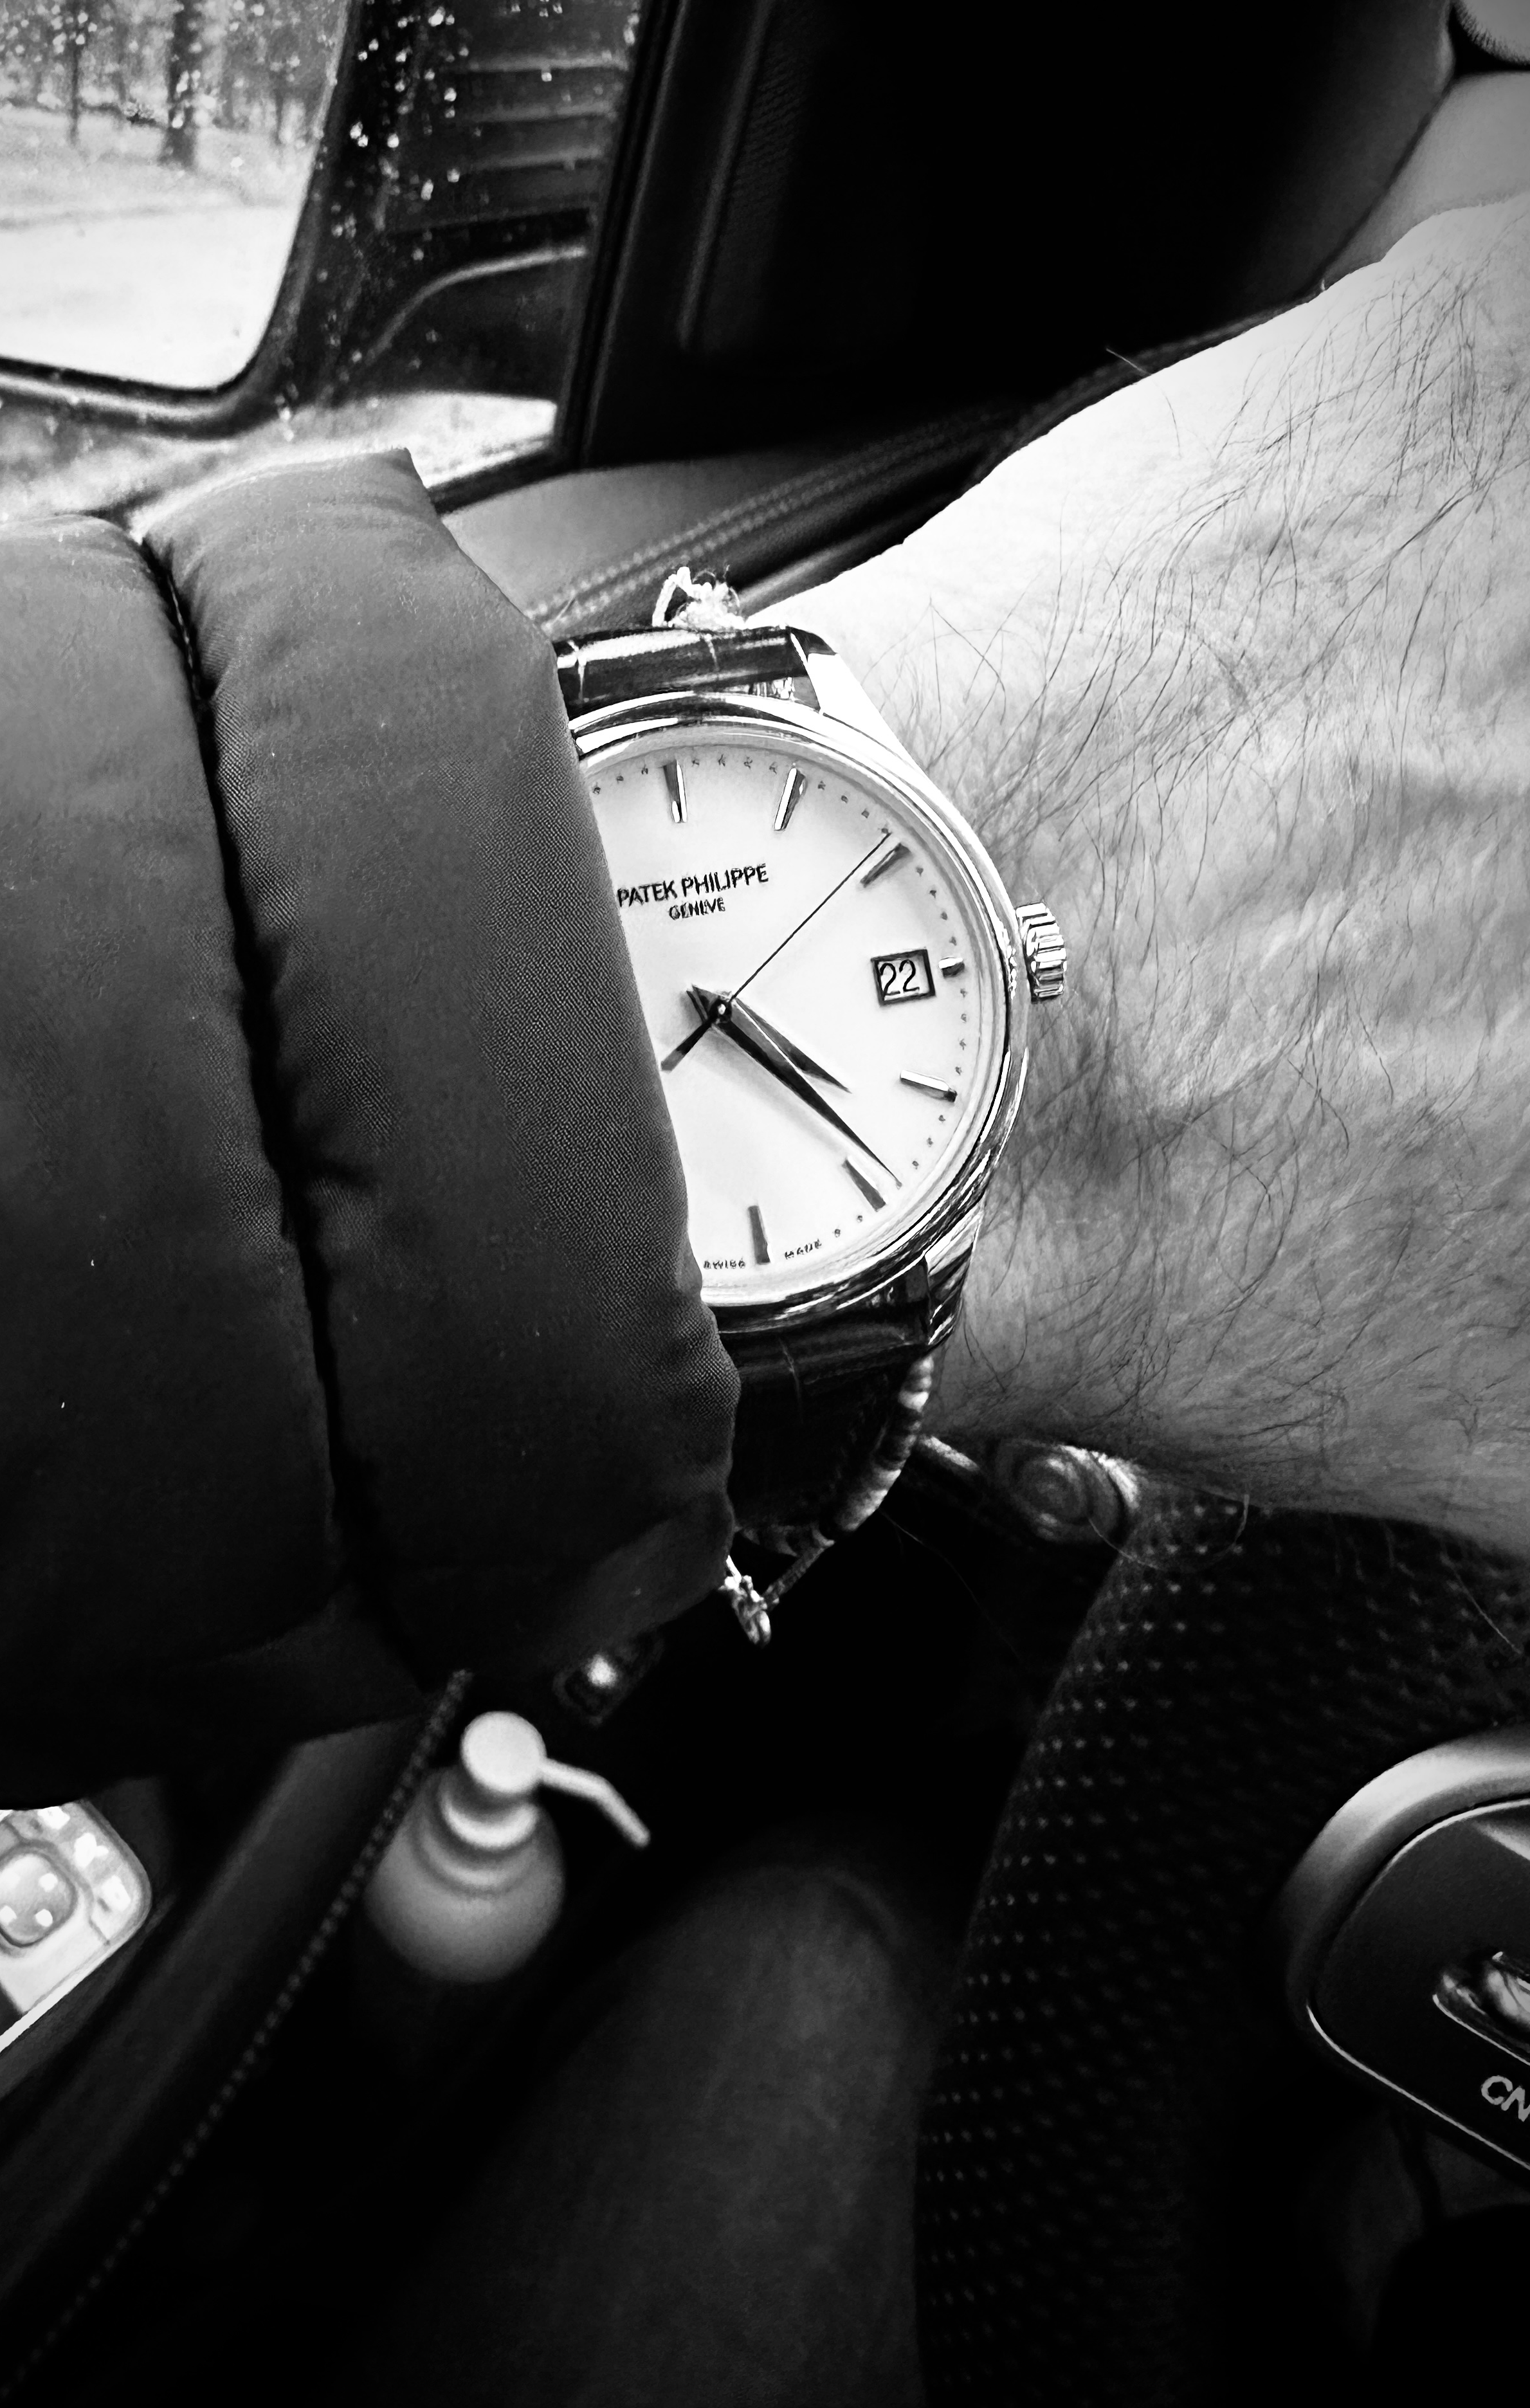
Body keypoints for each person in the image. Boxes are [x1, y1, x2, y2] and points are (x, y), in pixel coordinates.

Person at [332, 190, 1530, 2407]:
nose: (720, 1039)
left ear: (1017, 954)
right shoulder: (789, 817)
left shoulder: (908, 932)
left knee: (817, 1952)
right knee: (828, 1947)